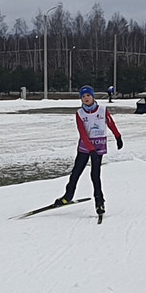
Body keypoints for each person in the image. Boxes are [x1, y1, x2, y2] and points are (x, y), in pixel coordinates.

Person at [55, 86, 122, 216]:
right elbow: (82, 133)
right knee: (76, 172)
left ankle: (99, 202)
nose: (86, 98)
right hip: (85, 147)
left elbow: (111, 124)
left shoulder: (102, 110)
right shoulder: (80, 113)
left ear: (93, 97)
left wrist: (118, 137)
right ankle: (68, 196)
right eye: (83, 96)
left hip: (98, 146)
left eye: (88, 96)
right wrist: (90, 149)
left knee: (95, 175)